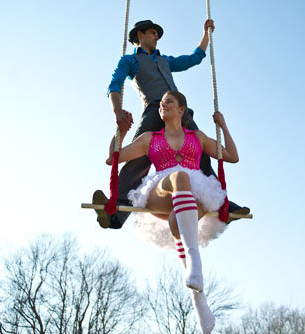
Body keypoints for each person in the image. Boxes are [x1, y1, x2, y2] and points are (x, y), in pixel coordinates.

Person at [106, 90, 238, 334]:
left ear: (181, 109)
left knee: (180, 217)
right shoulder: (149, 138)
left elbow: (232, 156)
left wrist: (223, 126)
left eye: (169, 102)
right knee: (179, 176)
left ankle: (198, 298)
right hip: (161, 188)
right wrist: (121, 132)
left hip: (192, 191)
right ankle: (195, 261)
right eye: (161, 103)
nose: (163, 106)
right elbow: (112, 158)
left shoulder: (197, 136)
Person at [99, 18, 248, 229]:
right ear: (139, 35)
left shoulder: (165, 61)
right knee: (138, 159)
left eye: (157, 34)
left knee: (201, 153)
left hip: (180, 112)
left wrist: (206, 34)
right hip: (154, 109)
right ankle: (116, 211)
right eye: (152, 33)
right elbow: (114, 84)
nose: (156, 37)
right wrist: (117, 111)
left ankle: (224, 203)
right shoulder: (130, 61)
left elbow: (194, 59)